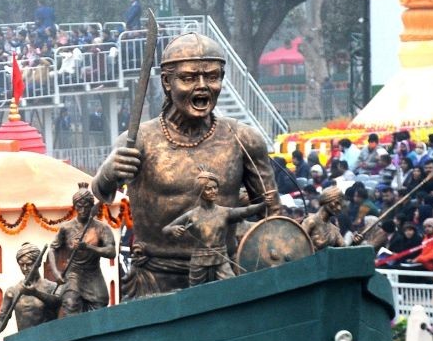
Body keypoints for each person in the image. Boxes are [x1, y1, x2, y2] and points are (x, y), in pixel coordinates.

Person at [93, 32, 278, 297]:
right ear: (167, 82)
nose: (202, 86)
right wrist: (107, 174)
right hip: (154, 283)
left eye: (212, 77)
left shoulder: (243, 139)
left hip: (224, 276)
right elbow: (98, 197)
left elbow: (273, 216)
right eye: (189, 78)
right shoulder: (139, 140)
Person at [163, 170, 267, 285]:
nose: (214, 191)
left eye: (215, 187)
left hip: (221, 260)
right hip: (199, 261)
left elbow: (246, 211)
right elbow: (166, 229)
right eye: (208, 189)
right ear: (200, 191)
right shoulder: (192, 215)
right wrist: (173, 229)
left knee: (232, 286)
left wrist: (263, 204)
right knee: (195, 292)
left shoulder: (224, 212)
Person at [49, 184, 115, 315]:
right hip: (74, 273)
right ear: (75, 207)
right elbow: (52, 249)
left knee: (101, 301)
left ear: (92, 206)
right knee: (71, 303)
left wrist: (89, 247)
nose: (83, 210)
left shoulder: (101, 228)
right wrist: (56, 273)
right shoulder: (66, 228)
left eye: (87, 206)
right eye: (79, 206)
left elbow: (111, 252)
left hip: (93, 273)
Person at [0, 243, 61, 341]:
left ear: (38, 263)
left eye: (29, 264)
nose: (25, 268)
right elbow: (1, 319)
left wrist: (35, 293)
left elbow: (58, 302)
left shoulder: (51, 287)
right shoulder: (13, 291)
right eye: (21, 265)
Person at [301, 186, 346, 250]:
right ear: (327, 199)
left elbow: (345, 250)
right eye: (336, 203)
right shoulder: (311, 222)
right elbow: (298, 246)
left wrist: (354, 243)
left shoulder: (334, 230)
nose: (339, 208)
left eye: (340, 205)